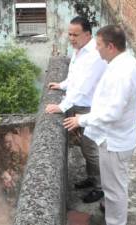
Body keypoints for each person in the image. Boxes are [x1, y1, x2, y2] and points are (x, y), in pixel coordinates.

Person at [63, 25, 136, 225]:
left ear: (111, 46)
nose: (95, 48)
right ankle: (110, 209)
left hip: (115, 141)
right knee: (112, 186)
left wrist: (82, 119)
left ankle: (116, 222)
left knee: (115, 189)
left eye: (98, 45)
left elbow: (112, 113)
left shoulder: (122, 72)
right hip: (116, 137)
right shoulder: (121, 62)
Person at [46, 16, 107, 203]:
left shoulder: (94, 55)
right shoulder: (79, 50)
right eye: (70, 34)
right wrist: (62, 85)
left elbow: (83, 86)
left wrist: (61, 106)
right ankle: (92, 179)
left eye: (75, 34)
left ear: (88, 35)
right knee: (84, 147)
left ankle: (100, 188)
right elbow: (74, 76)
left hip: (89, 107)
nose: (71, 38)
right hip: (80, 105)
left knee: (91, 149)